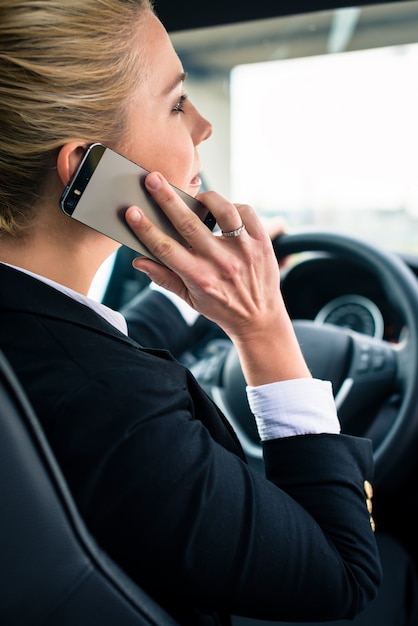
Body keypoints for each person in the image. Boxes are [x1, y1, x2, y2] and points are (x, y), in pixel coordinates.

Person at [0, 2, 383, 625]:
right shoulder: (113, 408)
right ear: (85, 167)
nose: (203, 126)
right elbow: (343, 574)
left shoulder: (32, 338)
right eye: (177, 103)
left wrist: (200, 296)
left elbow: (95, 345)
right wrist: (263, 328)